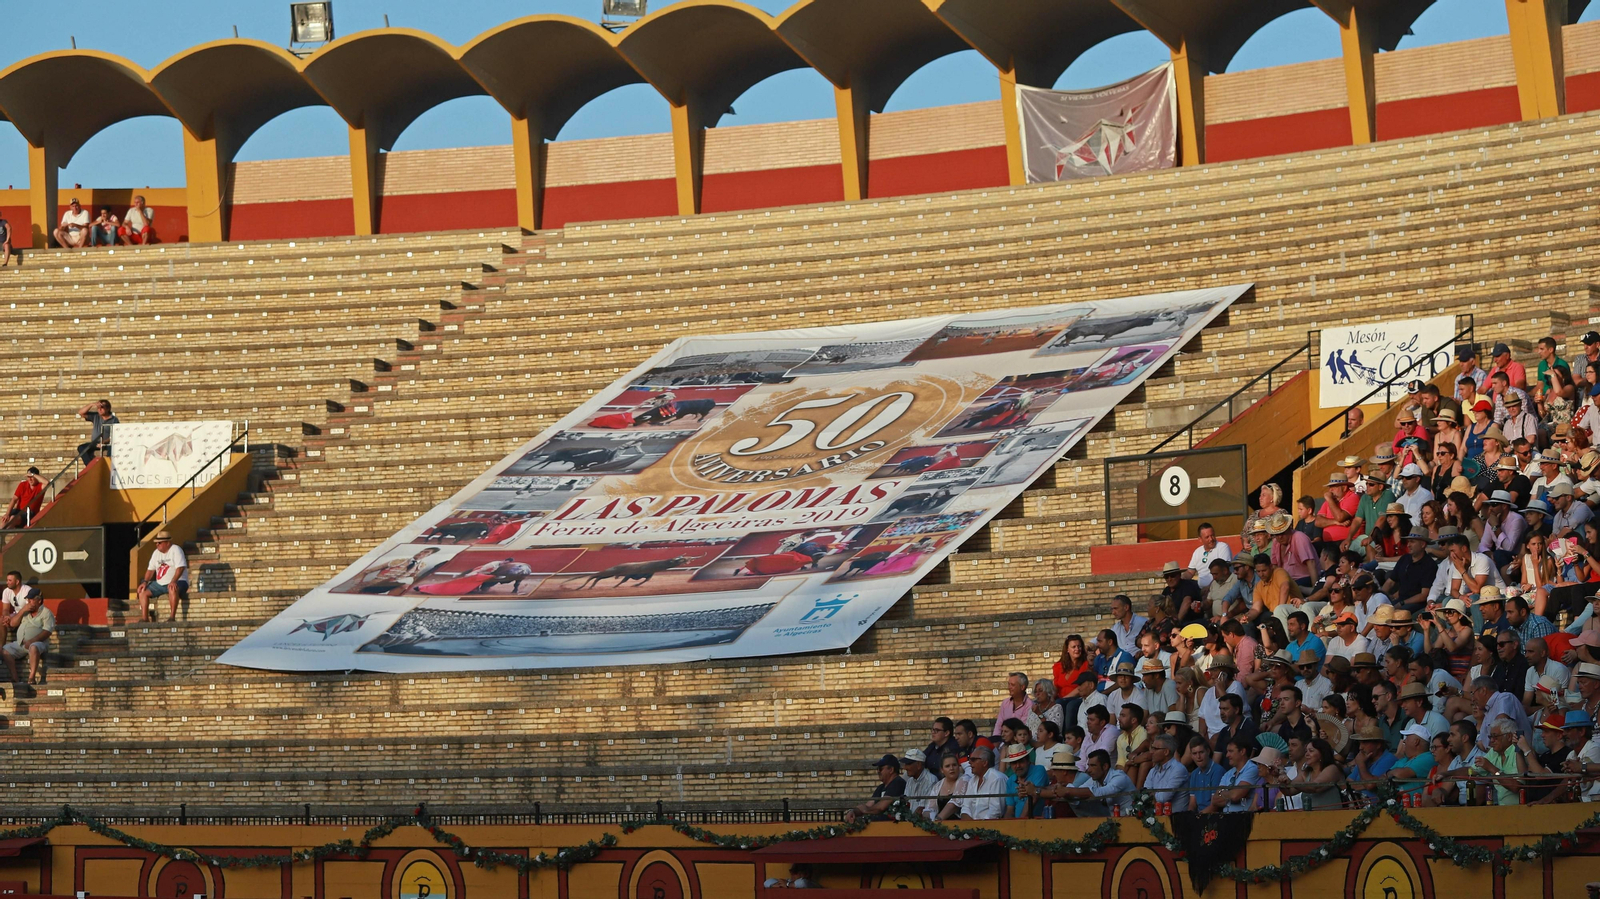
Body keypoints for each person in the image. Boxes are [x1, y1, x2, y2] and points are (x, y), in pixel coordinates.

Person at [1421, 719, 1482, 807]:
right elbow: (1445, 789)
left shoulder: (1481, 758)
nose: (1449, 739)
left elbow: (1479, 798)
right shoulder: (1456, 761)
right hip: (1462, 809)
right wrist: (1438, 791)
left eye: (1452, 735)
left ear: (1464, 738)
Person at [136, 531, 188, 623]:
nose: (157, 545)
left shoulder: (176, 550)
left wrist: (173, 581)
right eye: (156, 543)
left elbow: (180, 568)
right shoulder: (156, 553)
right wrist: (145, 582)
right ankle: (145, 618)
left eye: (159, 543)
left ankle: (172, 617)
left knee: (172, 588)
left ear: (167, 543)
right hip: (160, 583)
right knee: (142, 591)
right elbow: (150, 570)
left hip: (179, 581)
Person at [1, 590, 53, 685]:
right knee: (5, 650)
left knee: (33, 647)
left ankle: (32, 677)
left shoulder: (46, 613)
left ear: (39, 601)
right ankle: (15, 678)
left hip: (38, 643)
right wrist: (22, 611)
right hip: (21, 643)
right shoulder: (25, 611)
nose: (28, 603)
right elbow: (12, 624)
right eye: (28, 600)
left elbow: (47, 631)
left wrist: (32, 640)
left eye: (31, 600)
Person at [1473, 719, 1526, 805]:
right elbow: (1472, 770)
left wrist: (1492, 769)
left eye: (1495, 736)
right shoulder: (1494, 752)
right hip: (1500, 809)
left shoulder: (1519, 750)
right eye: (1490, 737)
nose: (1491, 741)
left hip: (1520, 811)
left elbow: (1516, 787)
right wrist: (1445, 774)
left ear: (1509, 737)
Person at [1204, 734, 1264, 812]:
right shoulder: (1228, 773)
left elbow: (1236, 795)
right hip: (1227, 818)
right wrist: (1231, 794)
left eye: (1231, 751)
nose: (1227, 755)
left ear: (1242, 751)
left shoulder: (1252, 769)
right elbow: (1215, 800)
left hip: (1244, 818)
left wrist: (1225, 793)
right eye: (1227, 751)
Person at [845, 755, 907, 823]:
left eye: (880, 768)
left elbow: (881, 807)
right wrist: (853, 812)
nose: (878, 771)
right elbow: (868, 805)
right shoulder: (881, 787)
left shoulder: (898, 783)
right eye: (877, 769)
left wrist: (865, 810)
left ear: (891, 770)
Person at [1389, 722, 1438, 802]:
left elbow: (1400, 775)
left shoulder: (1428, 757)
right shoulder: (1404, 759)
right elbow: (1383, 777)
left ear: (1416, 742)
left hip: (1417, 809)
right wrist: (1391, 773)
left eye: (1407, 738)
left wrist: (1391, 773)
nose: (1404, 741)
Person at [1002, 744, 1048, 818]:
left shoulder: (1039, 770)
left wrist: (1020, 823)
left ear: (1028, 761)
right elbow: (1010, 809)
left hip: (1038, 823)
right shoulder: (1010, 780)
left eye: (1021, 761)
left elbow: (1034, 797)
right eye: (1014, 763)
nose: (1017, 766)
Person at [1185, 523, 1232, 588]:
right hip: (1201, 589)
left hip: (1220, 587)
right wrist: (1178, 579)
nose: (1211, 539)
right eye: (1207, 537)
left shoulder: (1222, 547)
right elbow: (1190, 572)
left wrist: (1209, 588)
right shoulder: (1197, 552)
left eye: (1212, 535)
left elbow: (1223, 572)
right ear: (1200, 539)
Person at [75, 398, 118, 464]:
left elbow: (115, 435)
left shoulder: (114, 420)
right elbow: (81, 412)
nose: (99, 409)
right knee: (82, 448)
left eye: (102, 407)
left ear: (108, 408)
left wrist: (104, 442)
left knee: (111, 448)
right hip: (96, 443)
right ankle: (91, 466)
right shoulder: (96, 416)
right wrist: (92, 404)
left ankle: (110, 467)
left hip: (107, 443)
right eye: (98, 408)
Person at [992, 672, 1032, 738]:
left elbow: (1021, 728)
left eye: (1012, 685)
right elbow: (999, 725)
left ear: (1022, 687)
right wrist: (996, 740)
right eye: (1009, 684)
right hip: (1003, 741)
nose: (1009, 687)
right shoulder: (1005, 703)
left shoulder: (1029, 705)